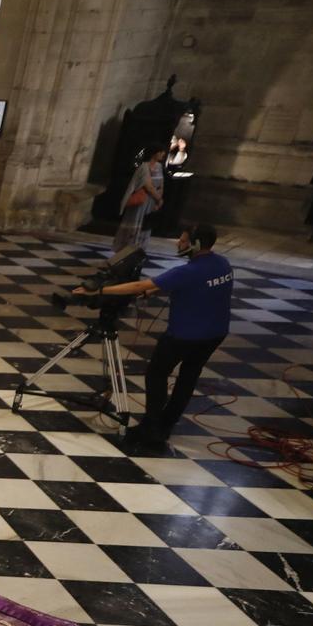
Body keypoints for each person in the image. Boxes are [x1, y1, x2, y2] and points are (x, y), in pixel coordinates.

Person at [78, 224, 234, 452]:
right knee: (188, 377)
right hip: (215, 334)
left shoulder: (186, 271)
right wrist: (156, 290)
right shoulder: (223, 264)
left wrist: (99, 291)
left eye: (182, 240)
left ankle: (150, 427)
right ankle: (166, 424)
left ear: (196, 244)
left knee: (156, 374)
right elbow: (196, 287)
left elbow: (140, 285)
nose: (179, 244)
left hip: (184, 335)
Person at [115, 149, 164, 254]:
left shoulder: (159, 167)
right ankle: (125, 252)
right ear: (154, 153)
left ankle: (139, 251)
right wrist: (158, 199)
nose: (163, 154)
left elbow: (160, 184)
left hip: (151, 202)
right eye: (161, 152)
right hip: (141, 201)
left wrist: (158, 200)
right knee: (134, 225)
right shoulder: (144, 167)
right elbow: (148, 186)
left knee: (145, 226)